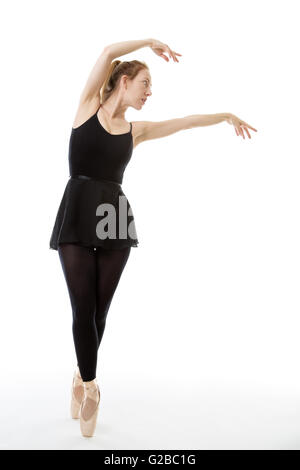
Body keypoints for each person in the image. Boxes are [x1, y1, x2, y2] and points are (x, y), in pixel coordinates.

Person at [49, 38, 257, 437]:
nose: (149, 94)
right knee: (81, 307)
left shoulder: (135, 131)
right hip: (76, 216)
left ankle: (79, 376)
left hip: (115, 220)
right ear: (124, 81)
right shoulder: (87, 106)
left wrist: (225, 114)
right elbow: (108, 52)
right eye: (146, 84)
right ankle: (90, 386)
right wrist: (147, 41)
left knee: (99, 313)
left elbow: (185, 123)